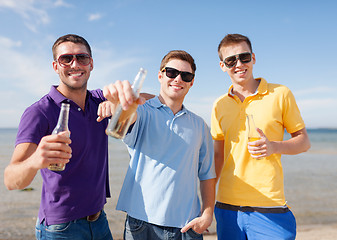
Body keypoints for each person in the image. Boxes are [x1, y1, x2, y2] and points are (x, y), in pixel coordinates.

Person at [4, 34, 113, 240]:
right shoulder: (39, 112)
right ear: (56, 66)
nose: (75, 64)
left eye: (82, 58)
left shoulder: (99, 100)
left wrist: (121, 102)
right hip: (61, 228)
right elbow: (11, 180)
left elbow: (147, 99)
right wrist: (36, 161)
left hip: (100, 222)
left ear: (91, 64)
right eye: (66, 59)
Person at [99, 50, 216, 240]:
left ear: (191, 82)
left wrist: (207, 214)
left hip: (186, 227)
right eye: (171, 72)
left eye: (185, 76)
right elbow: (127, 117)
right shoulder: (142, 110)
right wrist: (117, 105)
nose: (178, 79)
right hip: (140, 224)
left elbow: (207, 174)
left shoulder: (200, 126)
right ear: (160, 75)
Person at [211, 33, 311, 240]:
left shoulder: (281, 93)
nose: (238, 64)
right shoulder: (219, 104)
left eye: (244, 57)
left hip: (269, 206)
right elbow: (217, 157)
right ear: (223, 66)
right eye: (231, 60)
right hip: (227, 207)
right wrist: (205, 202)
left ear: (253, 58)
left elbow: (304, 142)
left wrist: (274, 146)